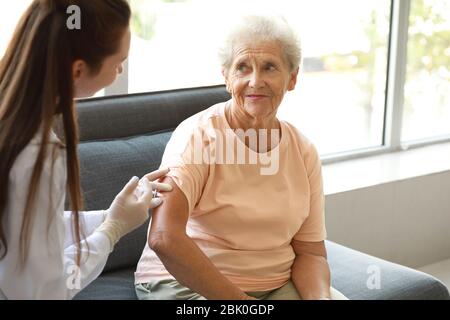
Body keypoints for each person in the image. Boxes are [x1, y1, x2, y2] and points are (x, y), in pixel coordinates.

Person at [135, 15, 348, 300]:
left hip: (276, 285)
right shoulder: (197, 137)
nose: (255, 81)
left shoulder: (303, 151)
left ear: (292, 77)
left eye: (269, 67)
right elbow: (164, 237)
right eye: (242, 68)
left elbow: (310, 252)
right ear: (226, 77)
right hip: (184, 284)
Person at [0, 0, 171, 299]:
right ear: (77, 70)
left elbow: (25, 229)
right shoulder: (36, 153)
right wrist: (113, 230)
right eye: (119, 62)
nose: (120, 70)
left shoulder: (15, 126)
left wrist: (109, 215)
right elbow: (43, 290)